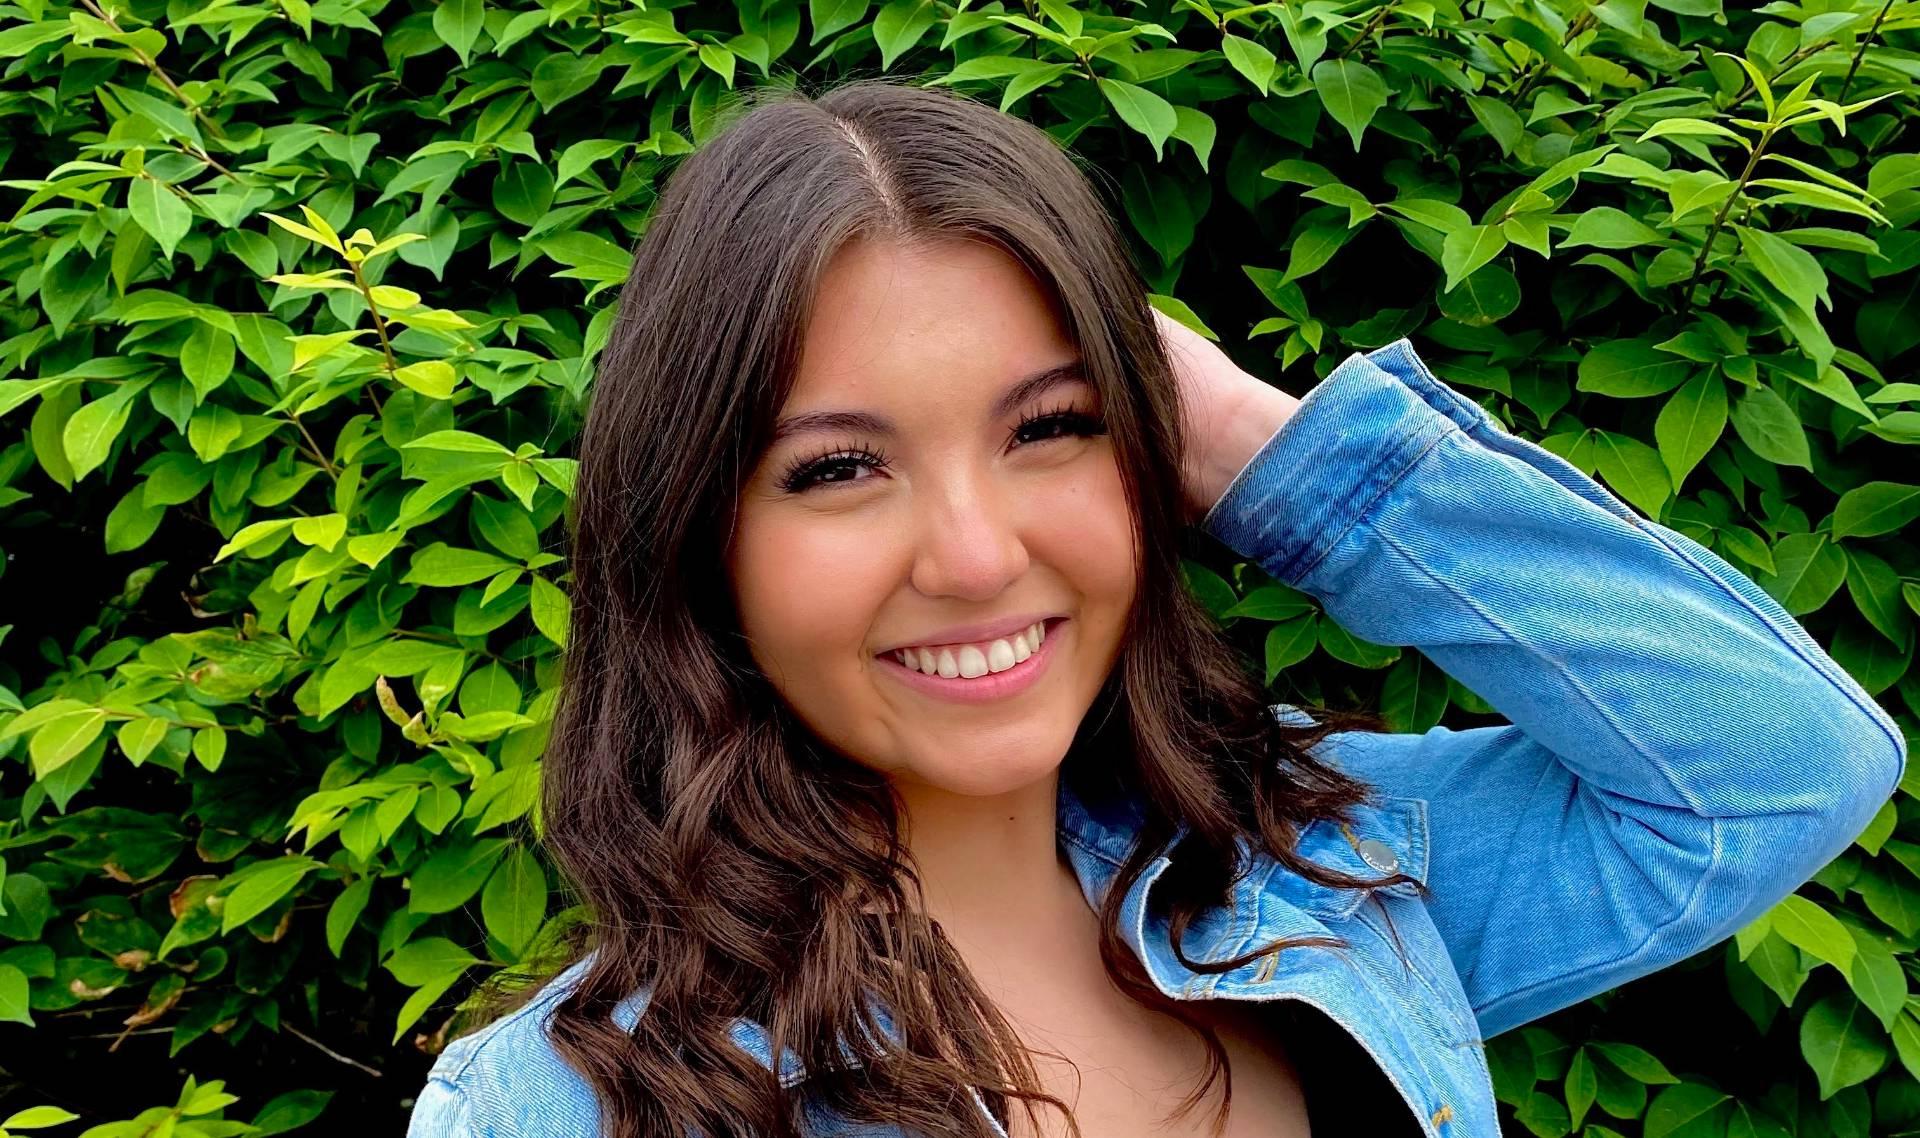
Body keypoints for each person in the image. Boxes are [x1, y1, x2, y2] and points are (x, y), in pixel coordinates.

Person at [403, 77, 1907, 1138]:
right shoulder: (565, 1102)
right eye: (844, 465)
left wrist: (1262, 446)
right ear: (699, 531)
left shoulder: (1334, 872)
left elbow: (1775, 763)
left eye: (1048, 427)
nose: (980, 554)